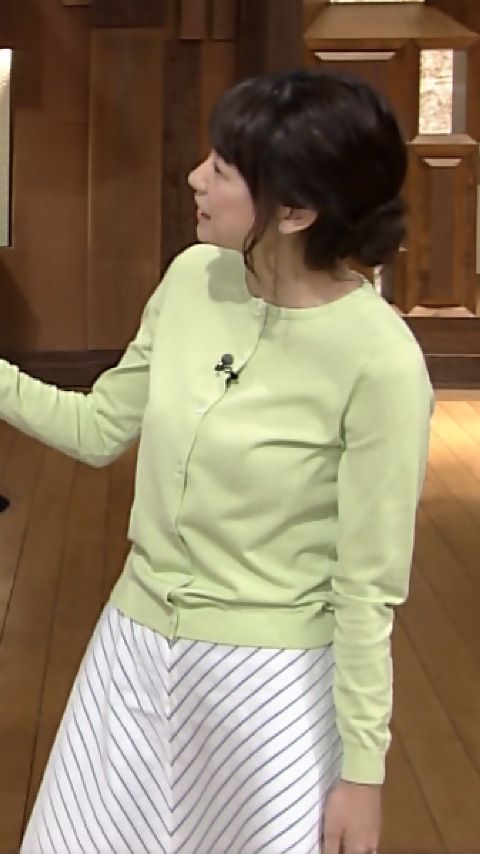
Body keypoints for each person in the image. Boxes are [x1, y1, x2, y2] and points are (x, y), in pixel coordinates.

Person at [7, 69, 433, 854]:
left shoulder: (381, 361)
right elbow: (99, 428)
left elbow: (368, 585)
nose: (194, 178)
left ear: (296, 211)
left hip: (269, 683)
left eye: (223, 169)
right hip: (131, 649)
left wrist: (362, 773)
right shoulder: (191, 279)